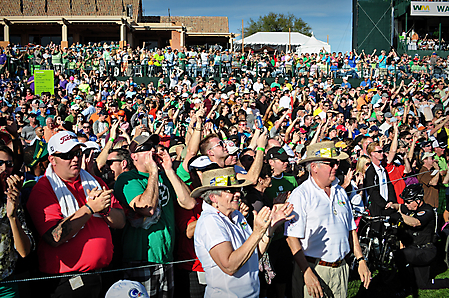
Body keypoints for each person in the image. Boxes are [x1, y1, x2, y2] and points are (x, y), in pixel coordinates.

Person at [26, 131, 125, 297]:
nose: (75, 159)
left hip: (100, 274)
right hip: (68, 281)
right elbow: (54, 237)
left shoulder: (94, 181)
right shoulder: (44, 189)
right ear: (52, 160)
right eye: (67, 155)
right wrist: (90, 208)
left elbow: (121, 221)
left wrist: (105, 209)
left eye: (78, 153)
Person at [113, 134, 197, 297]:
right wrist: (153, 173)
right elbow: (147, 208)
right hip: (141, 258)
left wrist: (169, 170)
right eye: (146, 148)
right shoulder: (128, 179)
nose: (153, 150)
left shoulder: (165, 177)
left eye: (154, 147)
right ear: (134, 156)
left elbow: (189, 203)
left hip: (166, 257)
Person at [285, 141, 371, 298]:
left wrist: (360, 260)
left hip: (341, 268)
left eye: (337, 162)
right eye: (331, 163)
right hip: (314, 268)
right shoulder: (301, 195)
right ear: (314, 167)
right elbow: (292, 238)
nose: (336, 166)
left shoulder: (341, 191)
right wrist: (307, 271)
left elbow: (351, 229)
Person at [193, 167, 294, 298]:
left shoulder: (236, 215)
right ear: (213, 197)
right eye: (231, 190)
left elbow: (253, 255)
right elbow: (229, 266)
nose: (238, 194)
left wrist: (271, 227)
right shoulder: (210, 221)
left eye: (238, 189)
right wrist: (257, 232)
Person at [386, 184, 449, 292]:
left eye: (408, 201)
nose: (406, 204)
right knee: (423, 284)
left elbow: (415, 222)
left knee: (400, 256)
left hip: (425, 251)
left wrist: (400, 216)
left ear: (418, 200)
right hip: (415, 250)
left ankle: (404, 288)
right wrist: (391, 207)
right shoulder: (410, 206)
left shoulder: (427, 211)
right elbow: (399, 206)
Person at [0, 145, 33, 297]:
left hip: (6, 283)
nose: (4, 169)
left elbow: (24, 251)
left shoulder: (12, 200)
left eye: (9, 164)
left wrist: (12, 216)